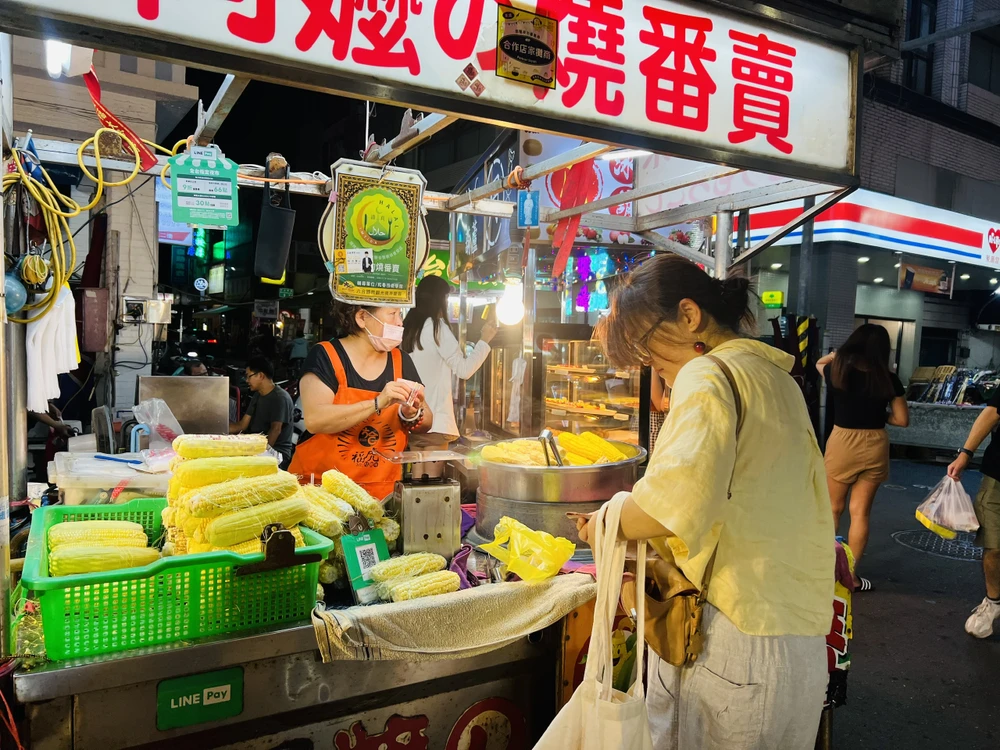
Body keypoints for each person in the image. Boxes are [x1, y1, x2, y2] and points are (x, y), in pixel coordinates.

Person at [577, 255, 833, 749]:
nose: (654, 368)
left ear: (689, 316)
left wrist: (605, 520)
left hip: (729, 643)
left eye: (650, 350)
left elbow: (671, 504)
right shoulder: (778, 378)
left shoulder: (706, 374)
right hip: (796, 642)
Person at [289, 302, 433, 498]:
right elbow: (316, 420)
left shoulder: (401, 361)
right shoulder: (325, 356)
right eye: (392, 314)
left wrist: (412, 414)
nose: (400, 323)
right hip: (321, 492)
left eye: (400, 314)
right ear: (362, 318)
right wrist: (378, 403)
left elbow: (427, 421)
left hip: (380, 493)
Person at [817, 324, 908, 592]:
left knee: (833, 508)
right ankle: (851, 577)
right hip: (875, 443)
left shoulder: (836, 372)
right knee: (860, 513)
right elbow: (902, 420)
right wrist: (879, 415)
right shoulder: (889, 379)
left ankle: (824, 573)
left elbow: (819, 363)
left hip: (843, 441)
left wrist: (835, 355)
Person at [402, 275, 495, 477]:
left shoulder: (408, 329)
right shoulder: (437, 328)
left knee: (417, 485)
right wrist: (485, 340)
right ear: (439, 299)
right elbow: (464, 369)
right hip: (435, 422)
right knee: (433, 486)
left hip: (412, 420)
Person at [947, 399, 1000, 638]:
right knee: (994, 546)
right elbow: (993, 411)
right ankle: (993, 602)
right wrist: (965, 454)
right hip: (998, 475)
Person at [230, 356, 295, 469]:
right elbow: (242, 425)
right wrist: (216, 429)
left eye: (248, 376)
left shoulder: (280, 398)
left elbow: (276, 429)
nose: (246, 381)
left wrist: (260, 454)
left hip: (277, 452)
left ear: (260, 375)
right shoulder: (257, 395)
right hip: (257, 446)